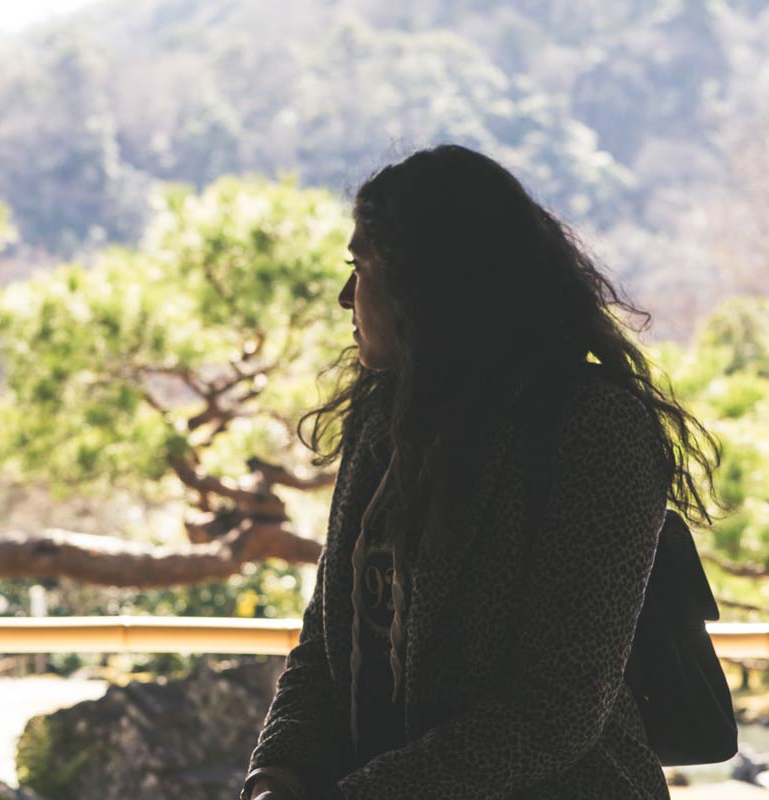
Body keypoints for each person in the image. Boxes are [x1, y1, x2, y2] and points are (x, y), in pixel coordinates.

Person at [239, 144, 721, 800]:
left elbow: (555, 707)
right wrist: (278, 774)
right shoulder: (386, 420)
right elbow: (327, 645)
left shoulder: (593, 428)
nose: (344, 295)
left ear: (425, 280)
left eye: (361, 266)